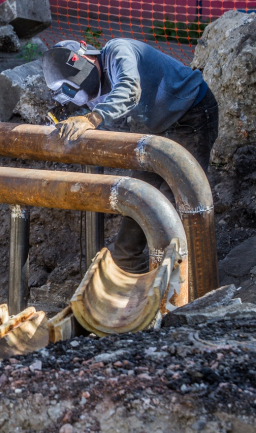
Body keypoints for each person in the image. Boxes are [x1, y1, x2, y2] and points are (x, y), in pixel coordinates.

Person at [42, 39, 218, 273]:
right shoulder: (93, 93)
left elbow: (129, 90)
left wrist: (92, 119)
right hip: (158, 126)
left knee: (177, 192)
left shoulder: (118, 52)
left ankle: (180, 269)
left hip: (192, 112)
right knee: (140, 192)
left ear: (86, 58)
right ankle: (126, 262)